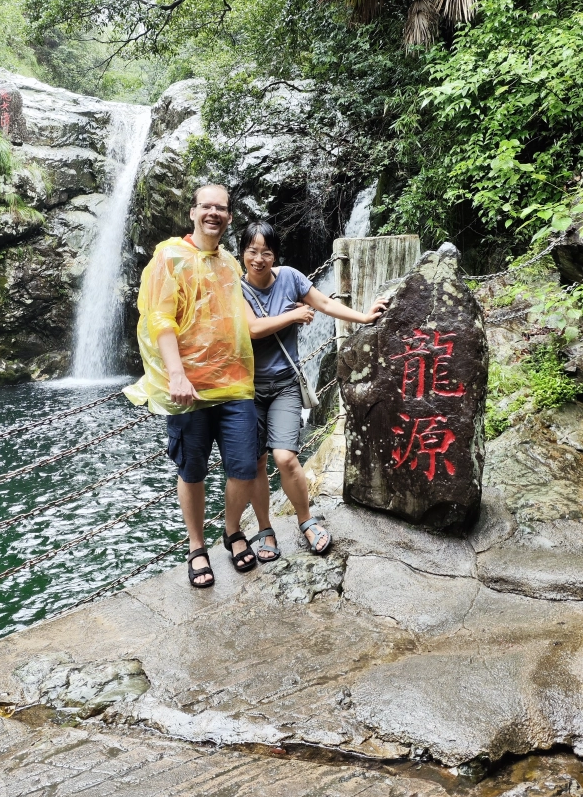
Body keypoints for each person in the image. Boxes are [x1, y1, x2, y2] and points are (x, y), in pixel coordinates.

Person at [124, 185, 259, 588]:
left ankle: (232, 531)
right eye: (206, 207)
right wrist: (177, 374)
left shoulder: (232, 264)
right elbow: (159, 319)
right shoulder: (170, 257)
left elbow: (245, 319)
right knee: (193, 469)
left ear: (229, 217)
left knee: (243, 466)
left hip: (235, 383)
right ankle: (196, 547)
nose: (213, 213)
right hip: (189, 389)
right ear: (193, 212)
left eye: (221, 208)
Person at [240, 220, 386, 560]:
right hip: (247, 389)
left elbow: (324, 303)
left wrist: (363, 318)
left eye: (266, 252)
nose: (258, 259)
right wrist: (293, 317)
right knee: (256, 462)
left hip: (285, 385)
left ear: (275, 255)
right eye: (252, 251)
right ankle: (265, 530)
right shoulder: (236, 288)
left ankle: (306, 520)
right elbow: (252, 329)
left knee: (285, 457)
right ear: (242, 253)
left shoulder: (289, 277)